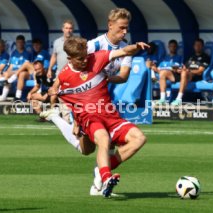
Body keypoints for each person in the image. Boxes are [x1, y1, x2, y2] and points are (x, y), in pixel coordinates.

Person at [41, 8, 134, 196]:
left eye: (127, 28)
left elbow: (123, 76)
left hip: (104, 97)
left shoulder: (126, 49)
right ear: (110, 25)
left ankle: (98, 184)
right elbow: (71, 67)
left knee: (108, 144)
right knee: (87, 148)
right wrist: (76, 118)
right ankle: (56, 118)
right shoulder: (94, 45)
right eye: (122, 28)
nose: (125, 32)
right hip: (83, 99)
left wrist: (108, 78)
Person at [53, 37, 147, 197]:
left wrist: (136, 46)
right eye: (80, 58)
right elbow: (56, 93)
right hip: (90, 118)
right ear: (69, 58)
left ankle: (102, 169)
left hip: (110, 116)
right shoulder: (64, 76)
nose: (85, 60)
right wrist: (75, 119)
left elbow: (124, 51)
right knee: (101, 141)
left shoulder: (97, 57)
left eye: (85, 56)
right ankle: (106, 177)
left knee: (139, 138)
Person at [162, 38, 210, 106]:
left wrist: (188, 71)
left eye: (199, 45)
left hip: (194, 76)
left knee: (184, 73)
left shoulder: (205, 57)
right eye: (196, 45)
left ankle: (179, 99)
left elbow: (200, 71)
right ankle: (162, 99)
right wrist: (179, 70)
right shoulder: (191, 57)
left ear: (202, 46)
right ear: (194, 46)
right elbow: (184, 67)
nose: (197, 47)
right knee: (164, 72)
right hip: (184, 74)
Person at [47, 20, 74, 122]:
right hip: (59, 74)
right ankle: (52, 115)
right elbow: (54, 56)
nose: (68, 30)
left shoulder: (76, 41)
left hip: (72, 74)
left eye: (70, 28)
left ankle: (69, 118)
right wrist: (49, 69)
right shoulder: (57, 42)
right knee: (54, 94)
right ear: (63, 29)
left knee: (67, 97)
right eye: (66, 28)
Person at [0, 35, 31, 102]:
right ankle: (3, 96)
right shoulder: (14, 53)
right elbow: (11, 66)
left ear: (24, 43)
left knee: (21, 74)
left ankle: (17, 96)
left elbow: (27, 67)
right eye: (18, 42)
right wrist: (6, 73)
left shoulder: (27, 53)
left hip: (23, 72)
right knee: (6, 74)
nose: (19, 44)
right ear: (16, 43)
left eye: (21, 42)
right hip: (14, 72)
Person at [154, 40, 183, 104]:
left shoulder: (180, 57)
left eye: (174, 46)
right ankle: (162, 99)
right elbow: (158, 69)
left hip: (174, 76)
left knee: (163, 73)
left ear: (176, 47)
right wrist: (153, 68)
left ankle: (165, 98)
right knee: (161, 73)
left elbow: (181, 69)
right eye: (171, 46)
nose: (172, 48)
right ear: (168, 47)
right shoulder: (164, 58)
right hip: (162, 76)